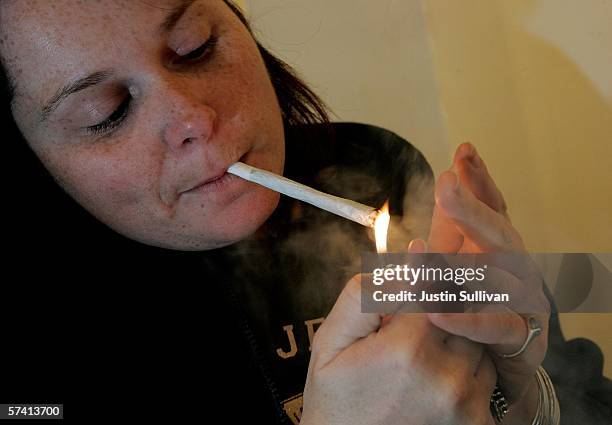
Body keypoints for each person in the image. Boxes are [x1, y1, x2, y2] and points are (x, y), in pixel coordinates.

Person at [0, 1, 609, 423]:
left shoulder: (377, 166)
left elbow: (585, 378)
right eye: (105, 111)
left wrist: (528, 396)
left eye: (195, 46)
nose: (193, 119)